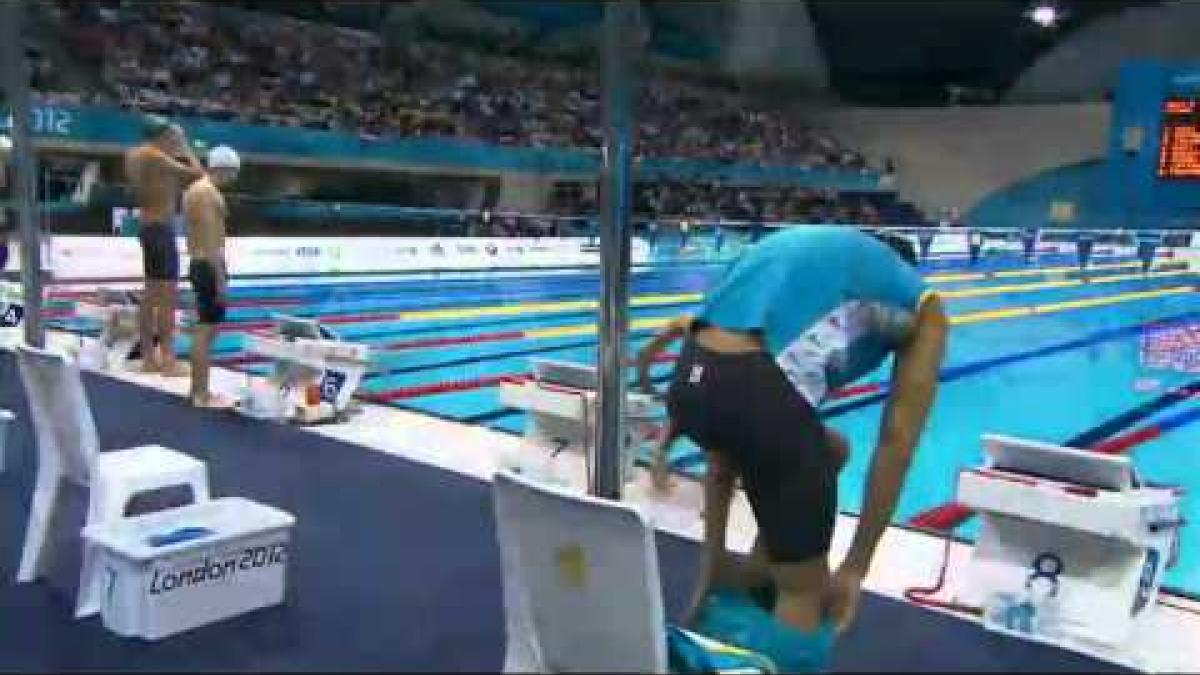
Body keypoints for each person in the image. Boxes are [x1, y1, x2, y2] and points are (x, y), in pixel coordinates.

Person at [666, 225, 947, 670]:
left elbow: (729, 449)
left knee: (828, 451)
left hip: (690, 382)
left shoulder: (811, 264)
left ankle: (755, 575)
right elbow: (896, 441)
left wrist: (713, 562)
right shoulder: (922, 304)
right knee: (804, 592)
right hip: (753, 393)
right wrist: (856, 566)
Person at [124, 115, 206, 375]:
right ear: (162, 135)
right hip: (160, 230)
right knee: (167, 297)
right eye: (171, 136)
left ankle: (149, 358)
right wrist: (186, 147)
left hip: (148, 227)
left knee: (150, 296)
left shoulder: (135, 156)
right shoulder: (152, 156)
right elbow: (198, 174)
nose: (174, 141)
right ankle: (168, 361)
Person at [183, 145, 240, 408]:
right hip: (208, 266)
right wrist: (220, 280)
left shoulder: (195, 190)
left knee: (203, 330)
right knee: (207, 332)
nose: (234, 178)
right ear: (225, 168)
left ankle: (197, 390)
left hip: (198, 262)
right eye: (233, 172)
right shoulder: (208, 194)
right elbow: (211, 241)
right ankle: (200, 395)